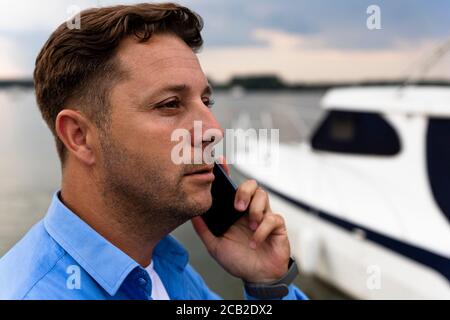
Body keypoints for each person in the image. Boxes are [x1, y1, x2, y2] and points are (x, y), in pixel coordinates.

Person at [0, 3, 307, 300]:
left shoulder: (162, 264)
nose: (213, 130)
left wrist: (267, 284)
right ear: (79, 136)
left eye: (206, 102)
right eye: (170, 104)